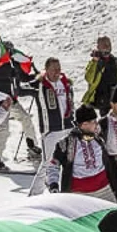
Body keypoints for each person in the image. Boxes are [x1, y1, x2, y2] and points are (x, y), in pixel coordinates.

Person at [46, 104, 117, 203]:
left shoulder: (99, 139)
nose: (96, 124)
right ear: (84, 124)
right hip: (79, 194)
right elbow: (53, 165)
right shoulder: (66, 143)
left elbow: (111, 162)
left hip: (105, 191)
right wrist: (53, 185)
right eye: (94, 122)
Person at [0, 41, 38, 171]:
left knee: (26, 118)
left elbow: (23, 78)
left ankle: (32, 147)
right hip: (0, 102)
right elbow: (16, 84)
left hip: (11, 100)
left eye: (11, 51)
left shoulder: (13, 64)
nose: (10, 53)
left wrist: (36, 77)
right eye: (8, 51)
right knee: (4, 129)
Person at [28, 57, 75, 195]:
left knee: (70, 160)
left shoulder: (66, 83)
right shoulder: (40, 84)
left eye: (59, 69)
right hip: (51, 130)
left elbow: (71, 104)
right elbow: (21, 89)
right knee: (47, 162)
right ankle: (34, 195)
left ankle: (69, 191)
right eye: (54, 69)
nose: (57, 72)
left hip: (68, 127)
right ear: (46, 70)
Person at [82, 36, 117, 116]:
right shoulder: (95, 64)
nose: (107, 46)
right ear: (98, 47)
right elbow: (89, 78)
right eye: (104, 44)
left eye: (108, 44)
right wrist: (95, 62)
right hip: (105, 103)